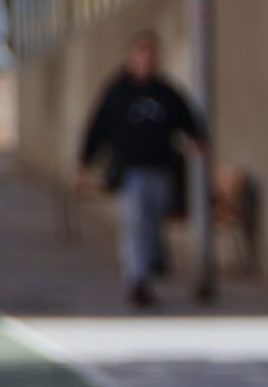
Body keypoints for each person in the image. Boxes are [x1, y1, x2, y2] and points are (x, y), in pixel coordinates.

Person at [76, 30, 208, 309]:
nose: (147, 60)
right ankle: (137, 279)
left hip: (161, 170)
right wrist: (84, 162)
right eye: (142, 53)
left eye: (152, 54)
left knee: (153, 222)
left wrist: (198, 139)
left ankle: (153, 259)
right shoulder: (118, 92)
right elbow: (98, 127)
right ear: (132, 56)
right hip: (131, 172)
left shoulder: (165, 92)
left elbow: (187, 117)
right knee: (136, 222)